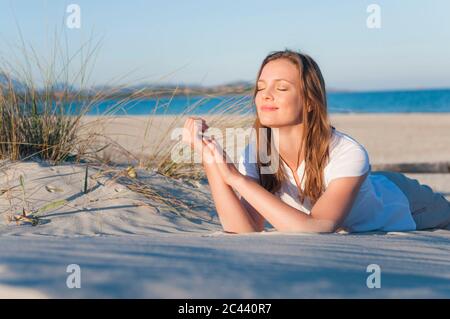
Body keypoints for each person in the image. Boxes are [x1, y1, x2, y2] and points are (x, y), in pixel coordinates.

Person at [182, 49, 450, 234]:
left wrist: (236, 179)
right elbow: (244, 229)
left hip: (409, 204)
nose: (266, 95)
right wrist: (211, 161)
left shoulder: (347, 151)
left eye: (281, 88)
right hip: (360, 191)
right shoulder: (258, 152)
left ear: (310, 101)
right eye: (261, 87)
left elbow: (319, 226)